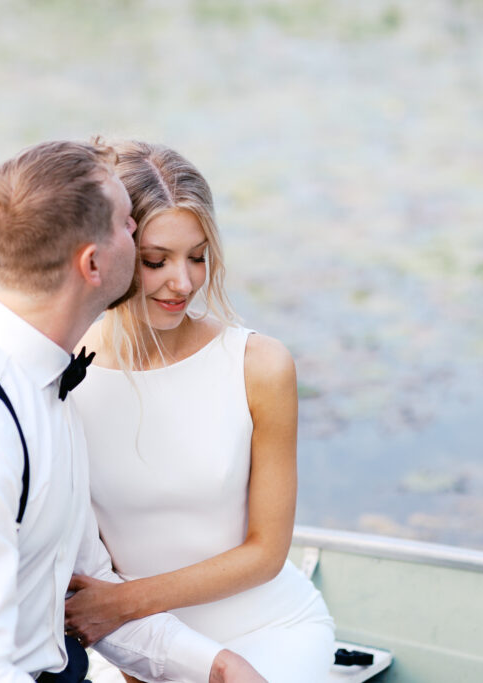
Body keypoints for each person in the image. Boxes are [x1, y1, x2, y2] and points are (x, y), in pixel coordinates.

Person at [0, 141, 265, 683]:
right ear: (93, 263)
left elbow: (87, 585)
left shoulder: (49, 384)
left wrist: (215, 665)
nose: (140, 229)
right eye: (131, 224)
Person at [65, 141, 335, 682]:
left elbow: (266, 552)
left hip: (270, 632)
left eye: (198, 256)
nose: (182, 283)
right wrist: (134, 650)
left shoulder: (259, 365)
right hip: (134, 644)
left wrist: (123, 605)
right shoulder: (66, 372)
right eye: (156, 261)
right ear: (109, 250)